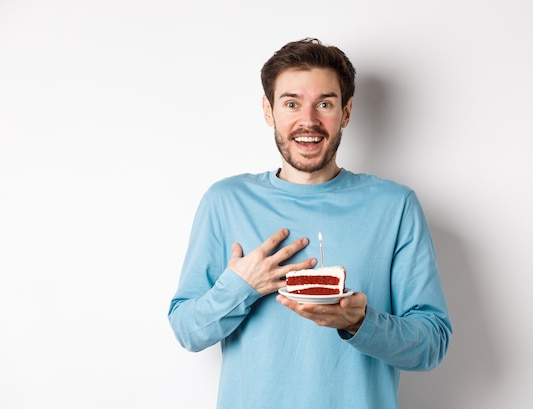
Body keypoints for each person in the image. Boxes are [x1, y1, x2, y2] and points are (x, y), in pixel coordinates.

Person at [168, 38, 452, 409]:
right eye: (291, 103)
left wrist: (360, 322)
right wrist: (241, 286)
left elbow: (432, 344)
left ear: (346, 113)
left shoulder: (395, 206)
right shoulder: (225, 202)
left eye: (325, 104)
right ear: (269, 111)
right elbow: (188, 331)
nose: (309, 121)